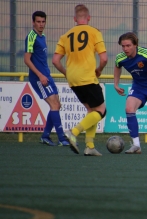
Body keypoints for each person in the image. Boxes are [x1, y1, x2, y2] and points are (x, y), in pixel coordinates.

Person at [52, 4, 108, 156]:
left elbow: (55, 60)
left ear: (75, 19)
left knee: (91, 111)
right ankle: (73, 132)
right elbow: (104, 58)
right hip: (87, 77)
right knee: (102, 111)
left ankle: (89, 146)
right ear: (88, 18)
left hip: (73, 78)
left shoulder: (65, 36)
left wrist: (66, 73)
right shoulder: (94, 32)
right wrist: (99, 70)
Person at [24, 11, 69, 147]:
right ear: (33, 22)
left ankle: (45, 136)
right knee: (54, 105)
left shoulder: (42, 36)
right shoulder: (31, 37)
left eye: (43, 22)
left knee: (57, 105)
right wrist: (40, 75)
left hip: (46, 75)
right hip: (39, 77)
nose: (41, 24)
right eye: (38, 22)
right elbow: (27, 60)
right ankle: (62, 138)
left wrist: (46, 74)